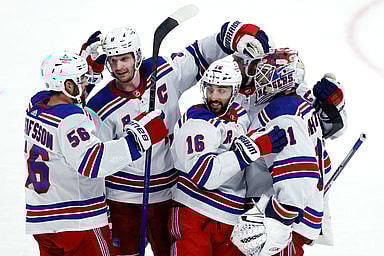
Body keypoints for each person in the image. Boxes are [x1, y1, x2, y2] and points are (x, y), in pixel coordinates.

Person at [85, 21, 274, 255]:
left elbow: (198, 55)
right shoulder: (100, 105)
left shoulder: (163, 71)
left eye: (124, 59)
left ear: (137, 55)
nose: (119, 67)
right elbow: (96, 157)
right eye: (113, 61)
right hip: (123, 199)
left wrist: (234, 36)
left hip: (167, 193)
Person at [24, 50, 167, 256]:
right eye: (80, 80)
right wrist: (139, 138)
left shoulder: (35, 106)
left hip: (43, 223)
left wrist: (90, 72)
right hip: (77, 221)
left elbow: (68, 97)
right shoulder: (71, 121)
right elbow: (94, 163)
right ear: (67, 85)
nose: (85, 85)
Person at [230, 48, 345, 256]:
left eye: (266, 75)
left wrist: (278, 221)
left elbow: (299, 174)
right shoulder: (298, 104)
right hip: (299, 211)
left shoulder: (283, 111)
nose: (260, 80)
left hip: (282, 221)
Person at [168, 58, 288, 256]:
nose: (214, 97)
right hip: (194, 214)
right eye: (210, 89)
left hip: (231, 220)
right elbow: (205, 175)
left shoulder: (240, 116)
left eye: (221, 91)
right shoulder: (196, 121)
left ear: (234, 91)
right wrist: (252, 147)